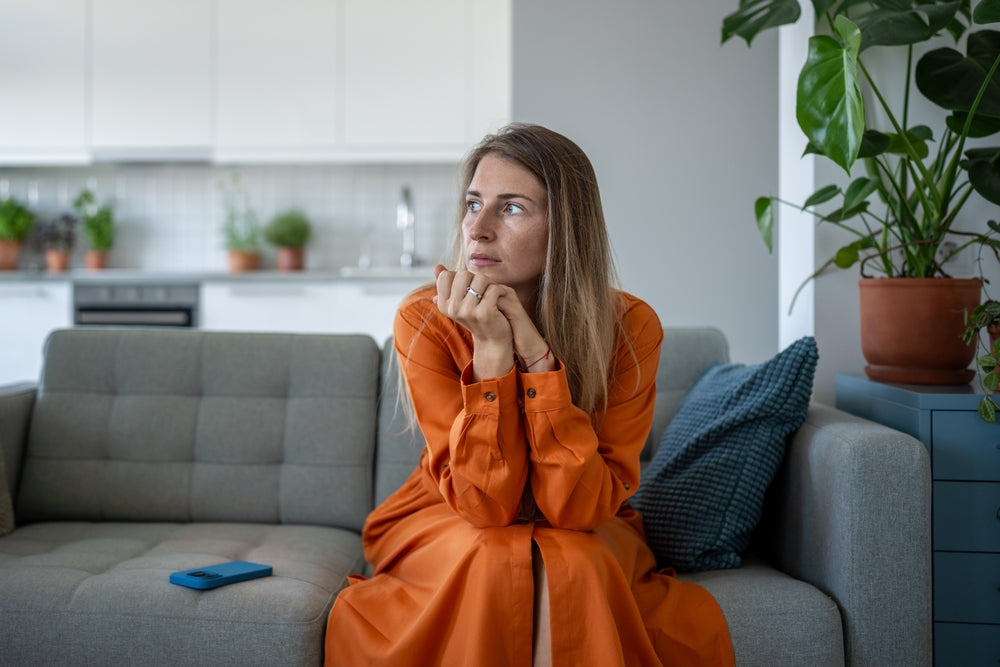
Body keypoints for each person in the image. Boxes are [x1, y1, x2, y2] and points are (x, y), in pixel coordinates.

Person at [324, 123, 734, 666]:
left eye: (511, 208)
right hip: (448, 512)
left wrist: (540, 364)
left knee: (575, 562)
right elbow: (484, 506)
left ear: (566, 228)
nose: (478, 229)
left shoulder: (631, 327)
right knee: (498, 556)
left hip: (589, 515)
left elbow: (582, 508)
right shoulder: (424, 320)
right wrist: (492, 351)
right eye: (474, 203)